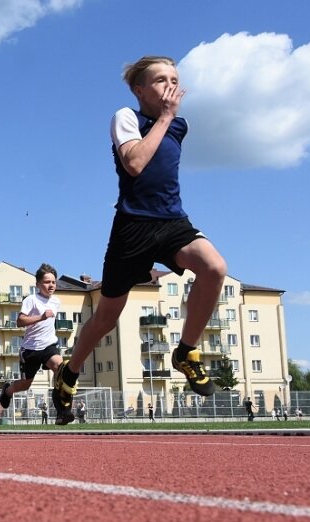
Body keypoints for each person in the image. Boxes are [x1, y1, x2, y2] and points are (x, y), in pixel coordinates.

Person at [52, 56, 227, 425]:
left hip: (172, 220)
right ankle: (69, 373)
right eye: (160, 80)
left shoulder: (182, 126)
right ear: (139, 90)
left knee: (214, 268)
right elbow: (134, 163)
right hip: (132, 227)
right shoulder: (126, 117)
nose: (170, 86)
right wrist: (163, 118)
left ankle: (186, 352)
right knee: (105, 318)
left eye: (174, 79)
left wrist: (169, 120)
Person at [0, 264, 65, 423]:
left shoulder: (56, 301)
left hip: (49, 345)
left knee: (61, 370)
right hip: (30, 349)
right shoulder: (31, 300)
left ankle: (62, 411)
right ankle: (8, 390)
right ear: (38, 284)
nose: (51, 285)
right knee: (25, 385)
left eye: (54, 282)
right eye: (47, 282)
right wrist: (41, 317)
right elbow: (20, 321)